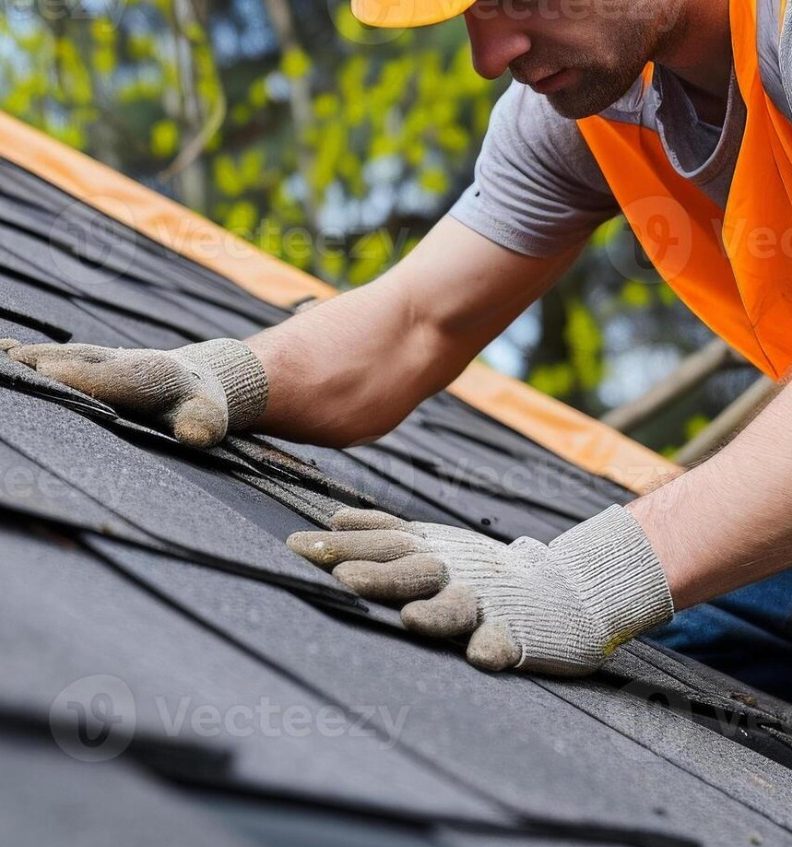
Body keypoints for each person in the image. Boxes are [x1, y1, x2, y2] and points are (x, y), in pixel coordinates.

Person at [6, 0, 792, 690]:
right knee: (671, 662)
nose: (492, 59)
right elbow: (418, 323)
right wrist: (227, 376)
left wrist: (587, 582)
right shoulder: (592, 106)